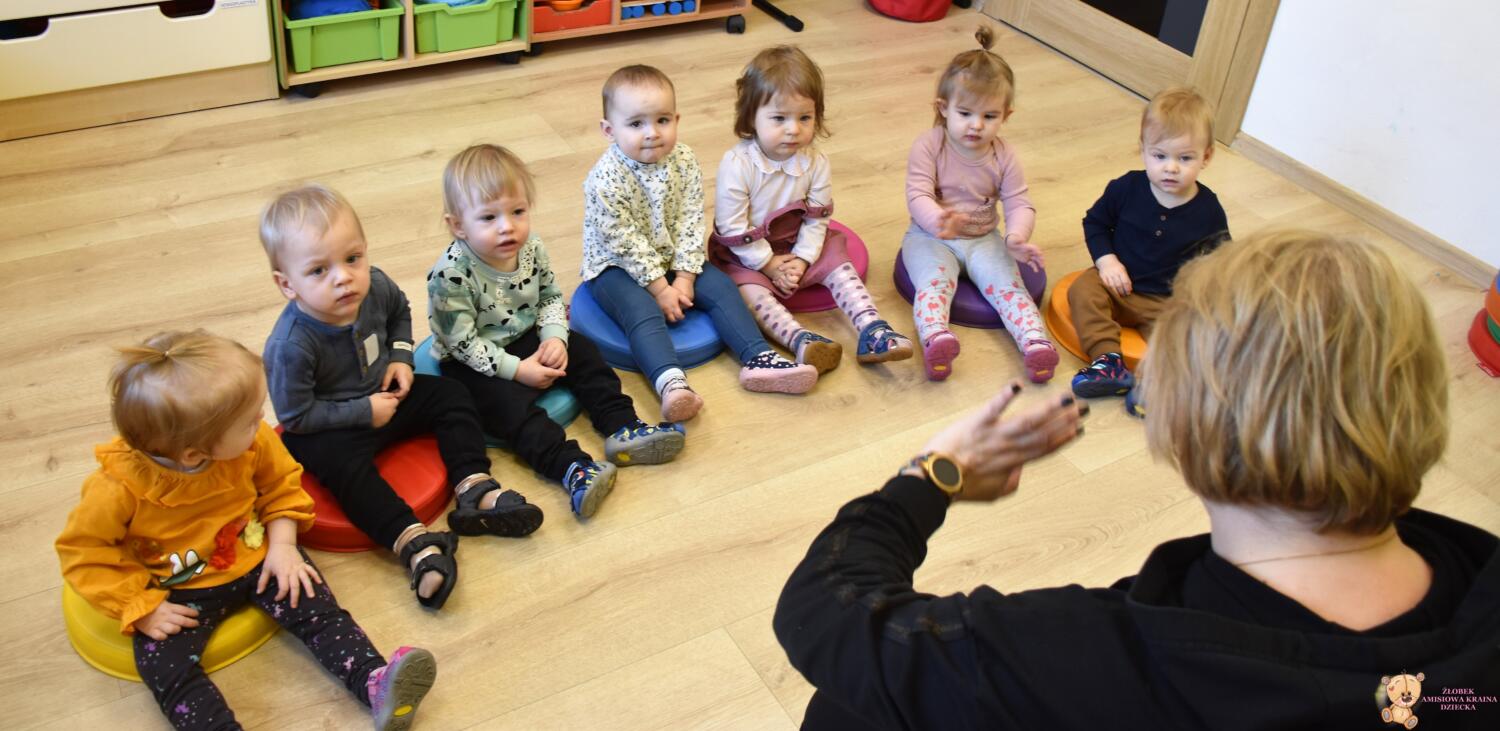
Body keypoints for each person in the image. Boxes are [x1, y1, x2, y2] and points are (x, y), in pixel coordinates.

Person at [775, 230, 1500, 729]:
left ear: (1178, 424)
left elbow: (826, 616)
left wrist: (931, 477)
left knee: (849, 712)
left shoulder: (1090, 656)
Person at [56, 331, 437, 731]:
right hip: (177, 588)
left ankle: (374, 683)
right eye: (250, 418)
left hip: (259, 554)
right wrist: (141, 607)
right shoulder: (117, 488)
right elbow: (85, 552)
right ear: (194, 454)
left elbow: (281, 484)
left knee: (321, 614)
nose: (262, 421)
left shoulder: (253, 440)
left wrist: (284, 545)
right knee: (166, 669)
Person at [260, 184, 542, 610]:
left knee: (452, 394)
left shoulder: (374, 285)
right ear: (287, 284)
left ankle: (474, 487)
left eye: (352, 258)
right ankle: (414, 544)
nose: (343, 277)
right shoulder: (291, 346)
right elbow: (296, 417)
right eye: (318, 271)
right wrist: (362, 412)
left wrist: (401, 358)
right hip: (332, 426)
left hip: (387, 394)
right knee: (340, 469)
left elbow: (399, 313)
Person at [428, 144, 686, 519]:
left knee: (585, 353)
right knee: (508, 409)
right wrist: (518, 370)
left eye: (517, 212)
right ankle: (572, 468)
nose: (507, 226)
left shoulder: (531, 247)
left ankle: (623, 427)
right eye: (488, 217)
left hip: (523, 334)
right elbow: (462, 343)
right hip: (473, 360)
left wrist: (554, 337)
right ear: (458, 226)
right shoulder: (450, 275)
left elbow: (550, 296)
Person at [580, 64, 819, 423]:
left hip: (671, 255)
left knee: (722, 288)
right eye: (636, 124)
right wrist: (661, 289)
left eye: (662, 120)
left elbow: (691, 219)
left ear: (676, 119)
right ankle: (671, 383)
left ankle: (758, 358)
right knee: (642, 311)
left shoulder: (684, 160)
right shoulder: (605, 180)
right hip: (615, 267)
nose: (652, 133)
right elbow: (624, 243)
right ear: (609, 130)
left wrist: (685, 276)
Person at [710, 45, 912, 374]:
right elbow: (733, 226)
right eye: (779, 118)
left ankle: (872, 328)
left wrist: (804, 258)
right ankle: (801, 340)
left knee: (838, 260)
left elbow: (818, 217)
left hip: (797, 241)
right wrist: (767, 263)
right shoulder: (737, 164)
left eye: (804, 117)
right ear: (751, 117)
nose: (794, 129)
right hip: (746, 252)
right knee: (742, 290)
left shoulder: (816, 161)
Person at [901, 26, 1057, 383]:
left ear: (1006, 116)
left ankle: (1035, 343)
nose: (976, 125)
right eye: (966, 113)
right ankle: (936, 339)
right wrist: (939, 221)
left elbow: (1019, 201)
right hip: (929, 238)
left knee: (1009, 287)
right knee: (934, 284)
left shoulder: (1004, 155)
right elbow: (917, 193)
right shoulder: (929, 145)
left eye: (989, 116)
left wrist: (1017, 237)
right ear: (943, 108)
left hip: (984, 239)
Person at [1069, 86, 1230, 404]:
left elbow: (1221, 260)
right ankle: (1107, 362)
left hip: (1165, 300)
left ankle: (1159, 385)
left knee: (1182, 333)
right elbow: (1095, 223)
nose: (1171, 167)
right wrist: (1107, 261)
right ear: (1142, 149)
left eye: (1185, 158)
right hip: (1116, 285)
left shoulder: (1208, 210)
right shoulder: (1126, 188)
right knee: (1082, 290)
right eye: (1160, 156)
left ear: (1207, 156)